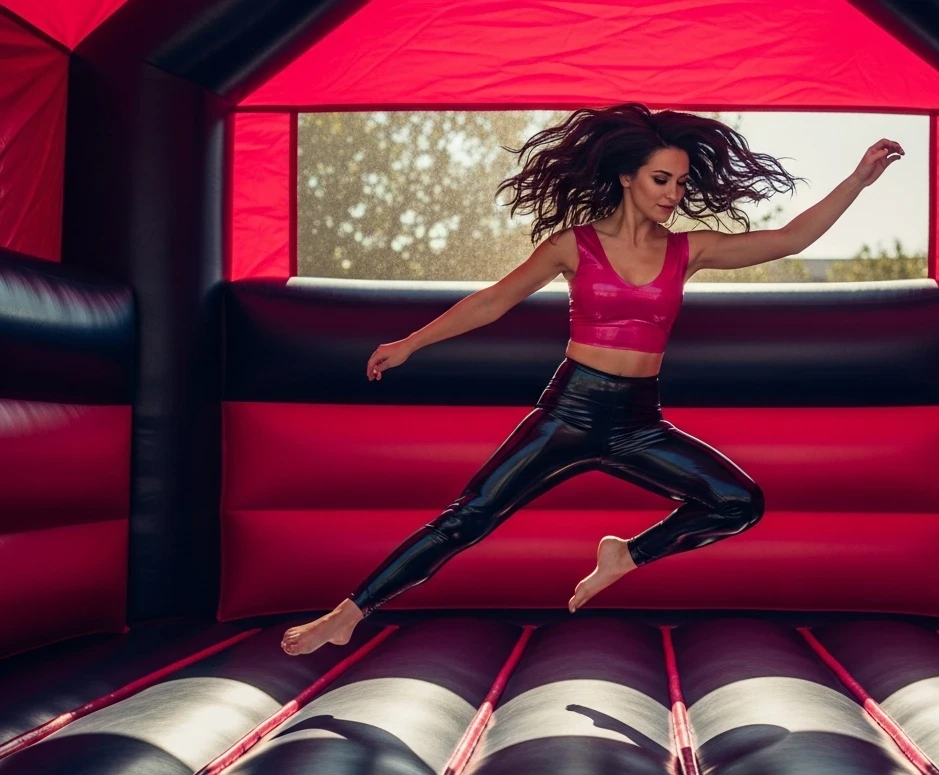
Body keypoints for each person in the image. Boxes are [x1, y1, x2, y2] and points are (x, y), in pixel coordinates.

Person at [282, 103, 903, 655]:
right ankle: (347, 614)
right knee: (466, 518)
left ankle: (624, 555)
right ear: (627, 176)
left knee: (740, 502)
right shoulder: (573, 246)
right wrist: (410, 344)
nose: (673, 194)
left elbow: (790, 239)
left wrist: (858, 179)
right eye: (662, 180)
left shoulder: (691, 249)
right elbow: (493, 301)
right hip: (569, 411)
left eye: (682, 184)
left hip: (639, 421)